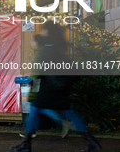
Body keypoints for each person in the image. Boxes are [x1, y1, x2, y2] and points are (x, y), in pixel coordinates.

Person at [11, 21, 101, 152]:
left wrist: (35, 79)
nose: (41, 32)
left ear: (47, 31)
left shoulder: (47, 45)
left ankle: (26, 143)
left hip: (49, 87)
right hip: (58, 86)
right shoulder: (57, 44)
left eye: (43, 29)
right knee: (67, 112)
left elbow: (40, 67)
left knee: (37, 109)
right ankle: (91, 141)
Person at [19, 34, 71, 139]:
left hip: (38, 84)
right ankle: (30, 132)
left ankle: (30, 133)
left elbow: (38, 71)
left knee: (36, 107)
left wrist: (33, 82)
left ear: (36, 42)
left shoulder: (40, 53)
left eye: (32, 41)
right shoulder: (42, 52)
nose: (31, 43)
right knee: (38, 108)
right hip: (40, 83)